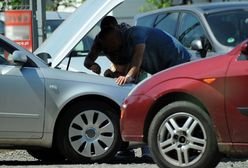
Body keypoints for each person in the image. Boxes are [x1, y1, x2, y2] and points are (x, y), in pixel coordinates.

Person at [97, 26, 191, 85]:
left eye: (109, 44)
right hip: (164, 68)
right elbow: (124, 68)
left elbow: (137, 59)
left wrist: (128, 77)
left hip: (179, 61)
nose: (110, 48)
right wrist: (113, 74)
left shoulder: (136, 34)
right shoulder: (122, 47)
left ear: (115, 39)